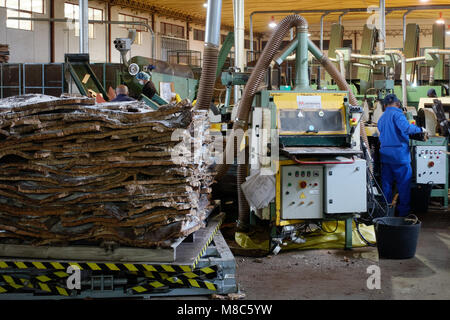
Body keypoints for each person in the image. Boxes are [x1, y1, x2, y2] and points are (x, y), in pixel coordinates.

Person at [377, 94, 426, 216]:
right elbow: (406, 129)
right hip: (399, 157)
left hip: (385, 157)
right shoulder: (398, 114)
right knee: (403, 186)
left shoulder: (381, 118)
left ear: (384, 105)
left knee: (386, 186)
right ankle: (403, 215)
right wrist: (421, 130)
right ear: (398, 104)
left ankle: (386, 214)